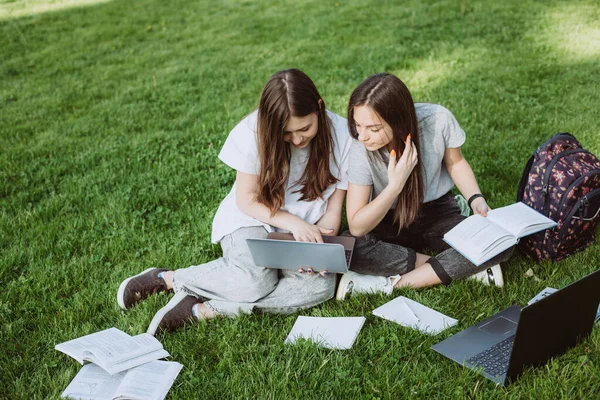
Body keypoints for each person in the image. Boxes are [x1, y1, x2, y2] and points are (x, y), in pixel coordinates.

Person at [117, 69, 351, 335]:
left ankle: (203, 309)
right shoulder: (253, 131)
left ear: (319, 108)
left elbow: (333, 212)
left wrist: (320, 248)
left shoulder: (343, 134)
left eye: (305, 128)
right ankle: (168, 279)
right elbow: (248, 201)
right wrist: (292, 222)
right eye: (287, 133)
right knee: (255, 282)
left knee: (318, 288)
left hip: (302, 232)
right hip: (254, 219)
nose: (298, 139)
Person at [336, 73, 512, 299]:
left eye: (374, 128)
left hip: (437, 213)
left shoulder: (437, 120)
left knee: (501, 241)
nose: (362, 136)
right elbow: (358, 226)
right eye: (357, 125)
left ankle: (396, 283)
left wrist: (475, 198)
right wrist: (395, 185)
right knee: (348, 248)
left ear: (398, 120)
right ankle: (452, 268)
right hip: (386, 219)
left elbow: (455, 162)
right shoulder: (360, 147)